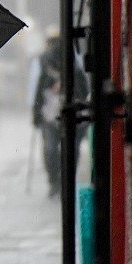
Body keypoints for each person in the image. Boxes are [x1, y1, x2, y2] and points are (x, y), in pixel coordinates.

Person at [31, 31, 89, 198]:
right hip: (50, 116)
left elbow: (83, 92)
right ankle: (55, 181)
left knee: (67, 150)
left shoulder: (76, 71)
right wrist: (36, 114)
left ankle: (63, 181)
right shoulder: (46, 70)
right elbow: (39, 94)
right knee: (52, 149)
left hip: (69, 117)